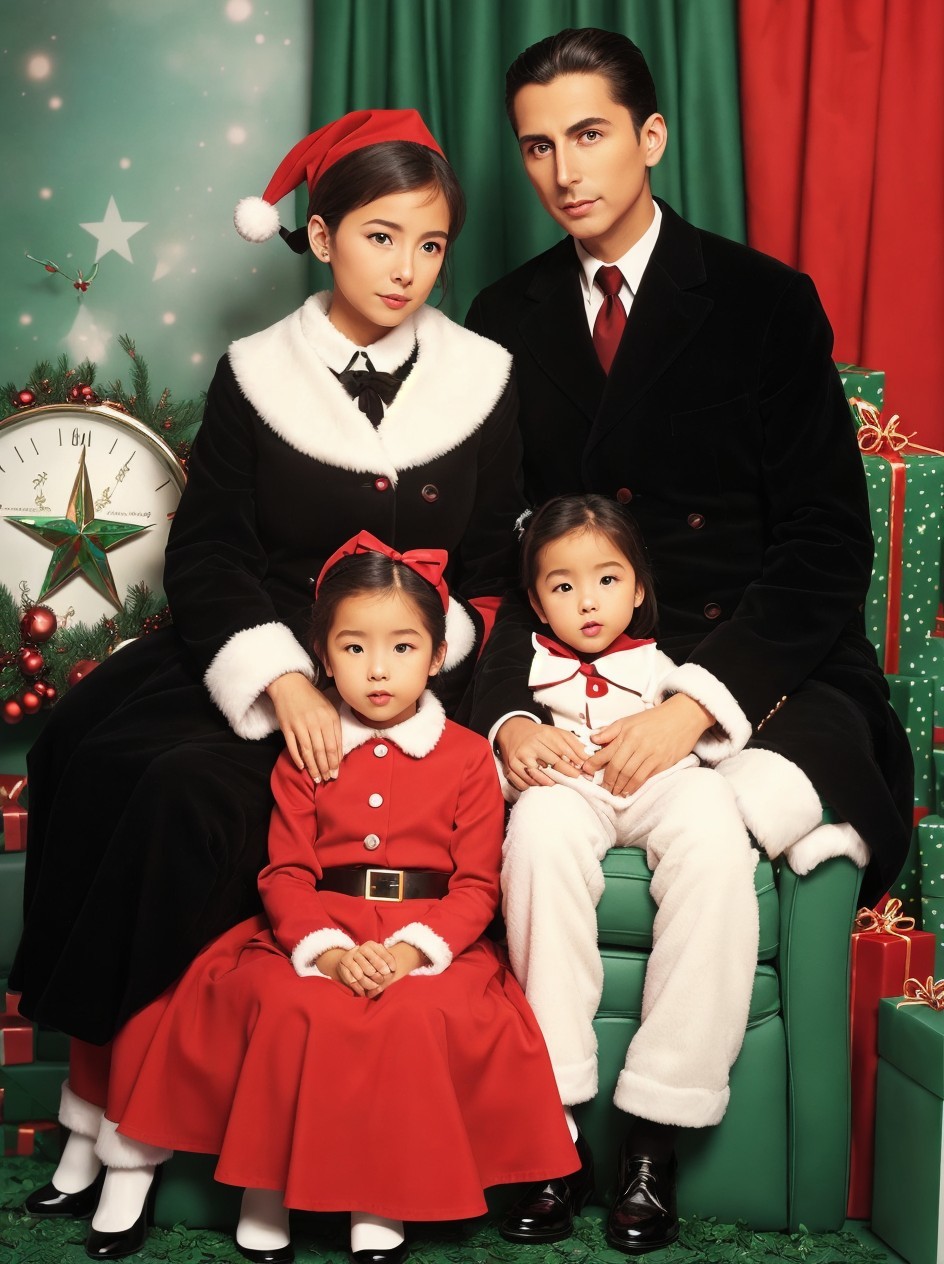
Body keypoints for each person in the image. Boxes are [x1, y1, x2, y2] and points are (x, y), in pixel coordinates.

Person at [15, 109, 526, 1226]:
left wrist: (418, 664)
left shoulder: (485, 376)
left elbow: (493, 569)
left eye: (430, 244)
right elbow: (208, 555)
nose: (405, 268)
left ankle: (130, 1116)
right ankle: (92, 1097)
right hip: (273, 655)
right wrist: (282, 680)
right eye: (380, 236)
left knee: (190, 796)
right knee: (94, 749)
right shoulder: (254, 372)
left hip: (404, 678)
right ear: (321, 232)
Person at [464, 27, 913, 1255]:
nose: (564, 169)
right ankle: (545, 1132)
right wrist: (509, 715)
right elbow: (476, 563)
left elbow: (824, 546)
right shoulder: (499, 315)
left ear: (652, 137)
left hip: (749, 665)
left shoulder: (762, 302)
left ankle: (652, 1143)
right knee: (540, 832)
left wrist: (698, 702)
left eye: (591, 134)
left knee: (719, 840)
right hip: (563, 671)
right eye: (538, 145)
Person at [67, 534, 579, 1263]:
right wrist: (328, 952)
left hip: (432, 939)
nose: (377, 670)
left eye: (403, 648)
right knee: (291, 1004)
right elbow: (284, 874)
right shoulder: (304, 747)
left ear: (436, 657)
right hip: (321, 927)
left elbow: (474, 886)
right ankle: (261, 1190)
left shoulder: (468, 755)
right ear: (322, 656)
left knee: (411, 1015)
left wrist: (410, 952)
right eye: (354, 648)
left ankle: (380, 1202)